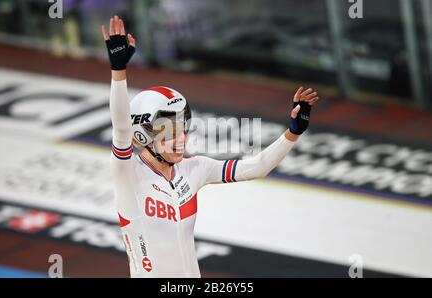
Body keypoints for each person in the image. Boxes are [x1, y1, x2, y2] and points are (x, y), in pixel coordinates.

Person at [102, 16, 320, 278]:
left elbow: (258, 167)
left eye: (182, 127)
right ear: (142, 135)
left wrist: (293, 132)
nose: (181, 138)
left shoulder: (195, 168)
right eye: (169, 131)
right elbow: (121, 129)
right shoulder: (128, 174)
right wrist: (118, 71)